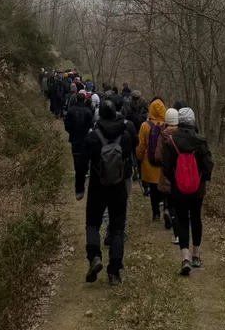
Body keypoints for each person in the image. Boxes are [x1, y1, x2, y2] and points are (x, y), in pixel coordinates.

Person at [76, 100, 133, 286]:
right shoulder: (125, 136)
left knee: (92, 224)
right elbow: (128, 161)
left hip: (97, 188)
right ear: (115, 114)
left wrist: (79, 188)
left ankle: (94, 257)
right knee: (117, 229)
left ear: (99, 115)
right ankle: (114, 271)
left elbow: (81, 164)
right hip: (118, 188)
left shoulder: (92, 137)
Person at [162, 106, 213, 276]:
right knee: (196, 218)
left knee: (182, 220)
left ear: (179, 121)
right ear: (193, 121)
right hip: (198, 190)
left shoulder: (171, 142)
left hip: (178, 189)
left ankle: (185, 258)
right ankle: (196, 255)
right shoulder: (201, 141)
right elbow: (208, 166)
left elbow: (166, 167)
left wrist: (175, 180)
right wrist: (203, 179)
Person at [137, 98, 167, 219]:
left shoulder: (145, 126)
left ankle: (156, 213)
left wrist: (139, 157)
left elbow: (142, 145)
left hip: (150, 163)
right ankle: (166, 208)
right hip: (164, 164)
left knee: (153, 189)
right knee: (165, 187)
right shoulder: (167, 126)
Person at [155, 108, 180, 243]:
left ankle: (176, 234)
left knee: (170, 204)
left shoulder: (163, 135)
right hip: (181, 173)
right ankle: (181, 232)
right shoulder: (182, 134)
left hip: (167, 172)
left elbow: (157, 156)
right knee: (179, 203)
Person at [65, 90, 93, 174]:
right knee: (84, 154)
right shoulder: (88, 111)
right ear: (84, 100)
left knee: (75, 155)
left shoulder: (71, 110)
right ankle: (85, 170)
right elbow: (91, 125)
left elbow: (66, 124)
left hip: (74, 137)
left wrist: (70, 131)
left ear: (77, 99)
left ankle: (77, 169)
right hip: (85, 136)